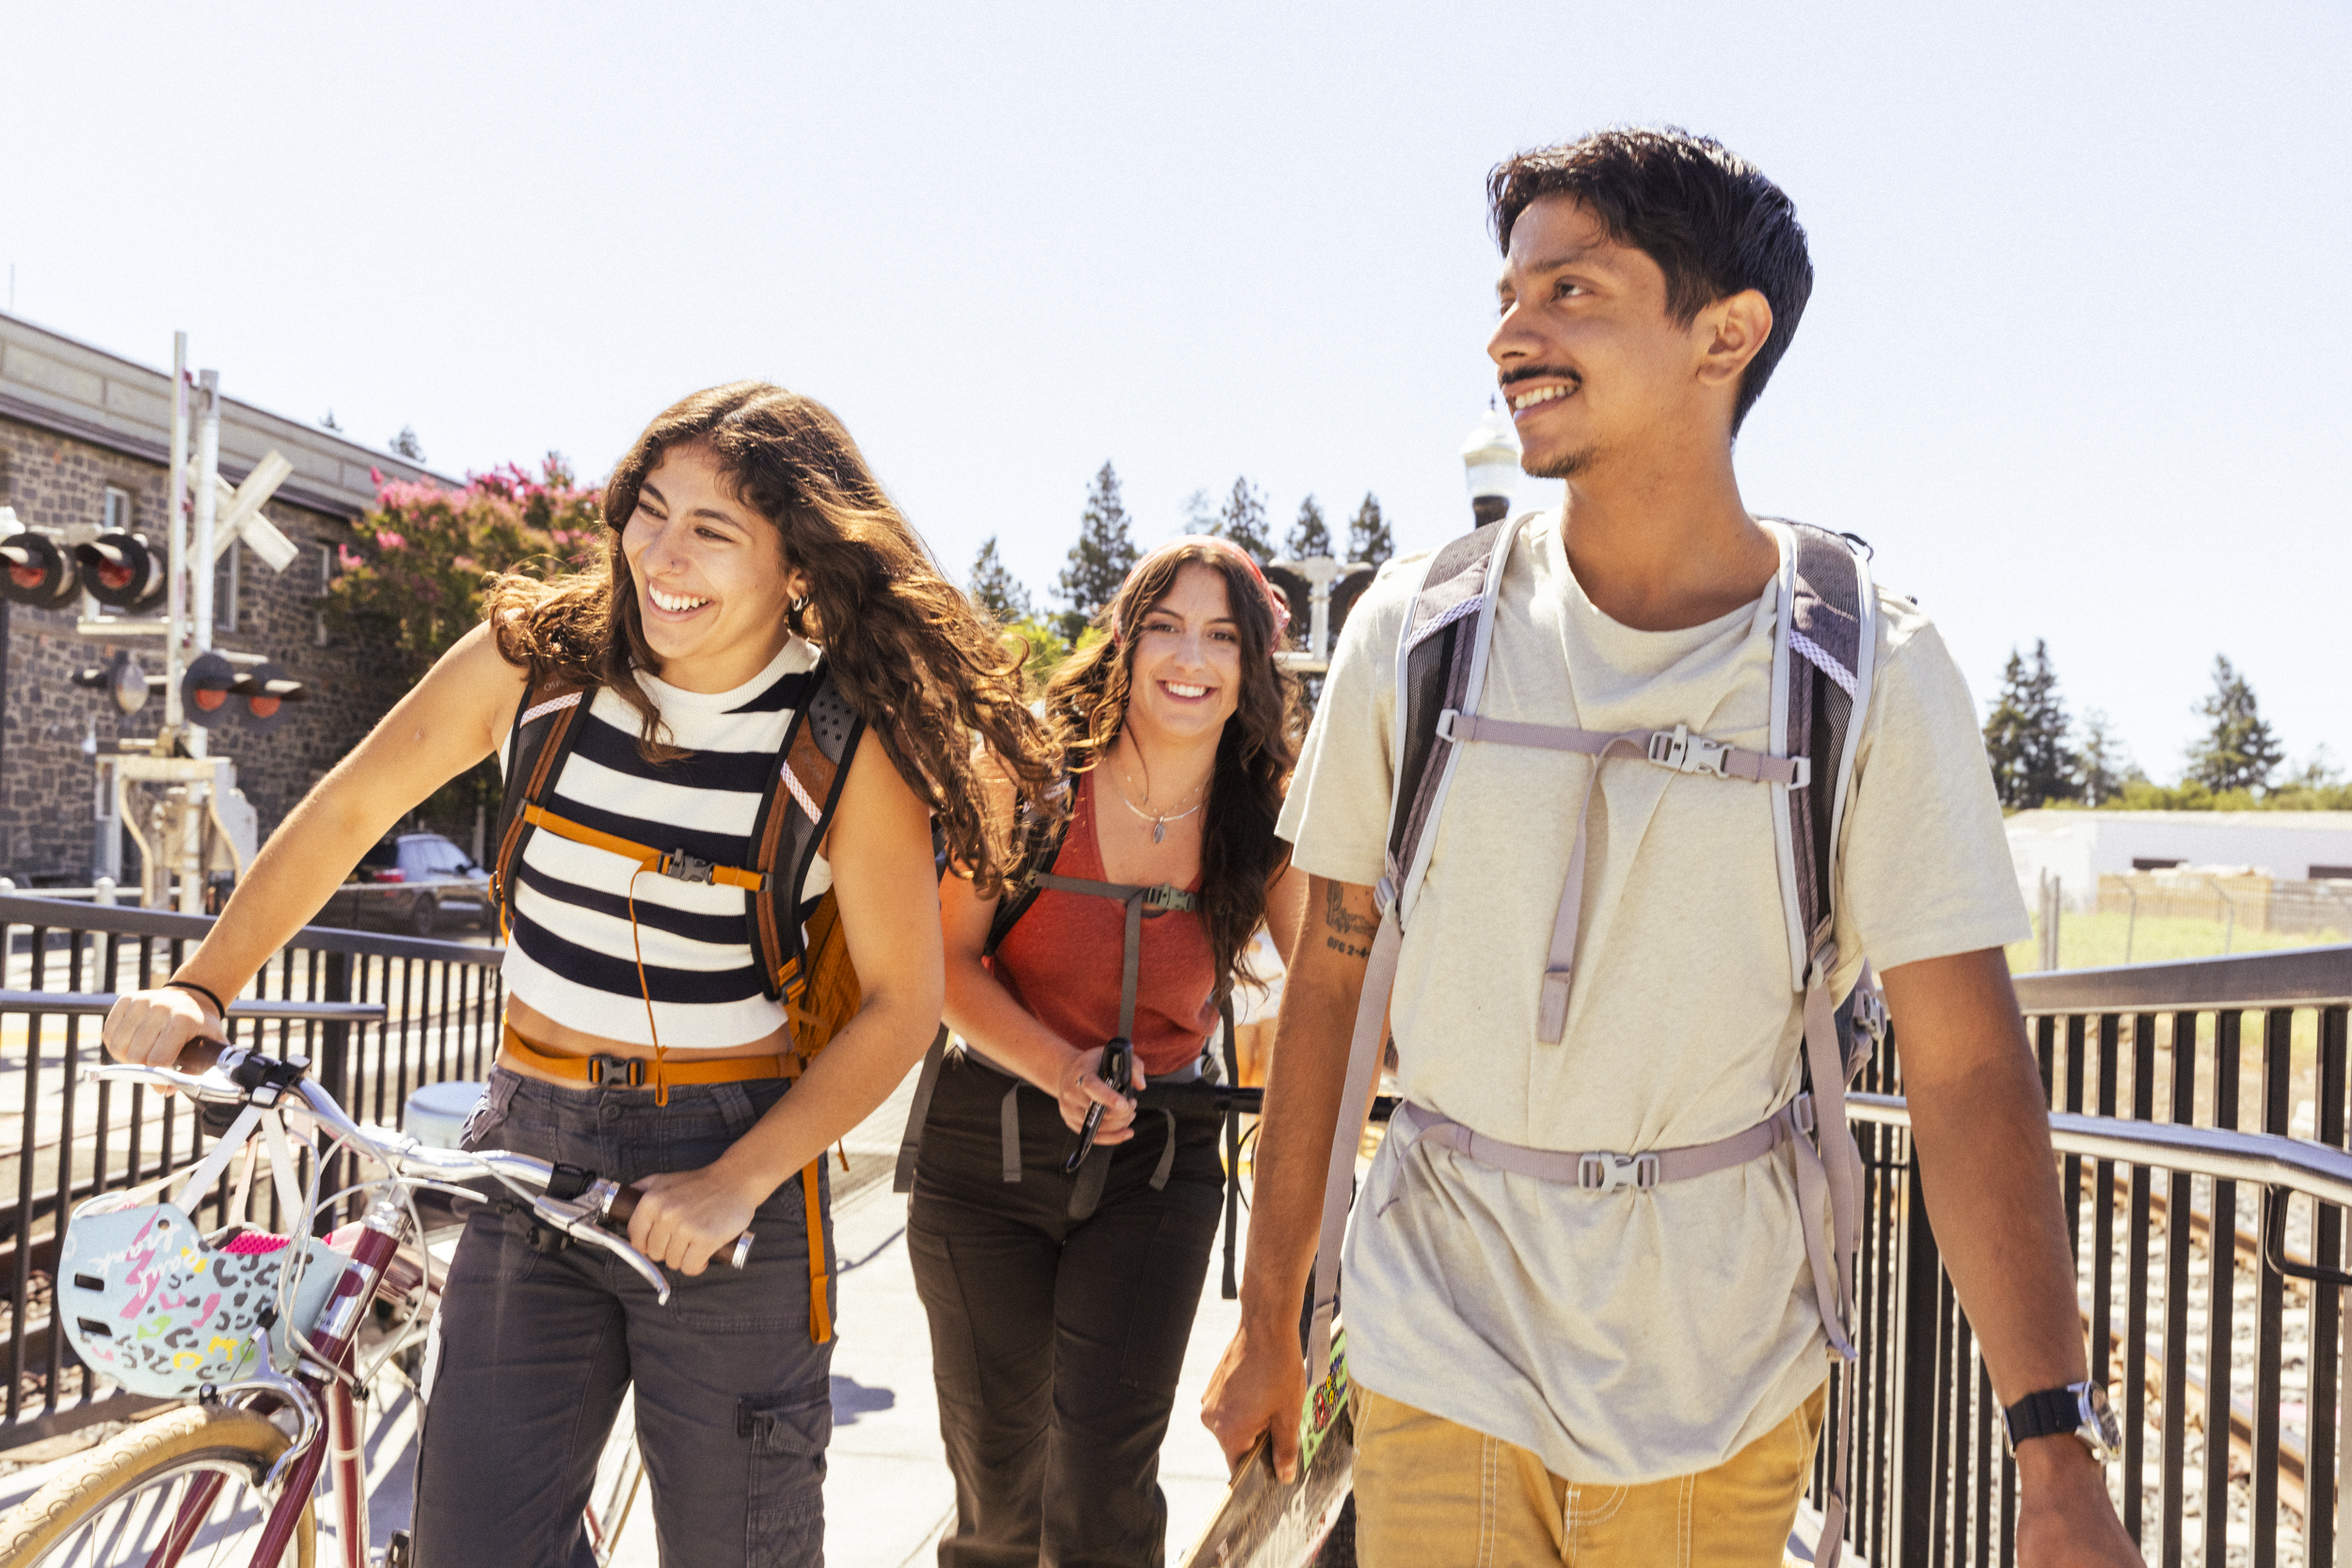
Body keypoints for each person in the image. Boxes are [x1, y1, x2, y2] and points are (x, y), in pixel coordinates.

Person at [1201, 130, 2142, 1567]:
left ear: (1727, 334)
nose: (1511, 332)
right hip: (1437, 1326)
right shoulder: (1418, 628)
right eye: (1509, 293)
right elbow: (1331, 986)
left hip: (1727, 1363)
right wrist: (1273, 1323)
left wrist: (2055, 1445)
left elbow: (1964, 1062)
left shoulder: (1870, 667)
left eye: (1571, 291)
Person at [102, 382, 1058, 1567]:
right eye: (648, 511)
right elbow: (351, 803)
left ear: (795, 565)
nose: (663, 553)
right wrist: (205, 987)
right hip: (529, 1136)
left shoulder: (837, 738)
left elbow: (903, 1007)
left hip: (731, 1156)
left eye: (713, 530)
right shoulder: (535, 665)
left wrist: (735, 1180)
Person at [909, 537, 1307, 1568]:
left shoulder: (1266, 814)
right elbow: (943, 964)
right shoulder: (1028, 777)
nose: (1192, 655)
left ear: (1252, 666)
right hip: (984, 1154)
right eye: (1166, 625)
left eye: (1223, 635)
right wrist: (1058, 1067)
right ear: (1124, 644)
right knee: (1001, 1491)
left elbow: (1335, 987)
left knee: (1102, 1487)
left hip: (1158, 1160)